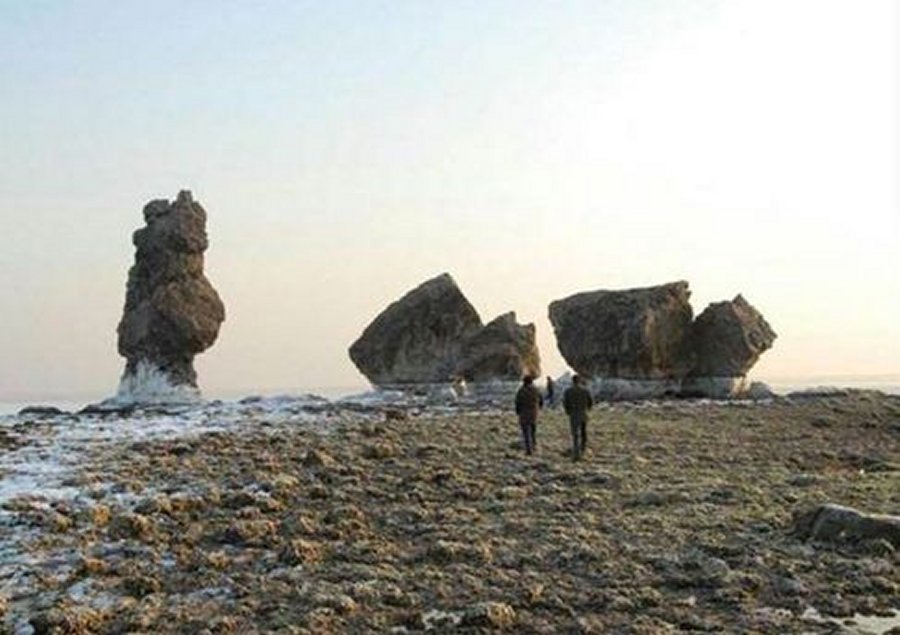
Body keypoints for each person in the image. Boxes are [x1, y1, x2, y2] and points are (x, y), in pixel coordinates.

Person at [563, 374, 594, 461]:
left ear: (572, 381)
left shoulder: (568, 391)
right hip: (584, 413)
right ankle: (583, 449)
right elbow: (590, 402)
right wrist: (587, 409)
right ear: (580, 381)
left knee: (575, 434)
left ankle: (576, 453)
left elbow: (565, 403)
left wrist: (568, 412)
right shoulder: (585, 390)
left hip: (574, 414)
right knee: (584, 433)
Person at [514, 375, 543, 455]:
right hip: (534, 413)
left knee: (526, 432)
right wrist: (538, 408)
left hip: (524, 413)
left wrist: (518, 411)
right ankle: (534, 445)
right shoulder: (536, 390)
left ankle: (528, 449)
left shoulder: (521, 390)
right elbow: (541, 400)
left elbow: (517, 402)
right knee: (533, 431)